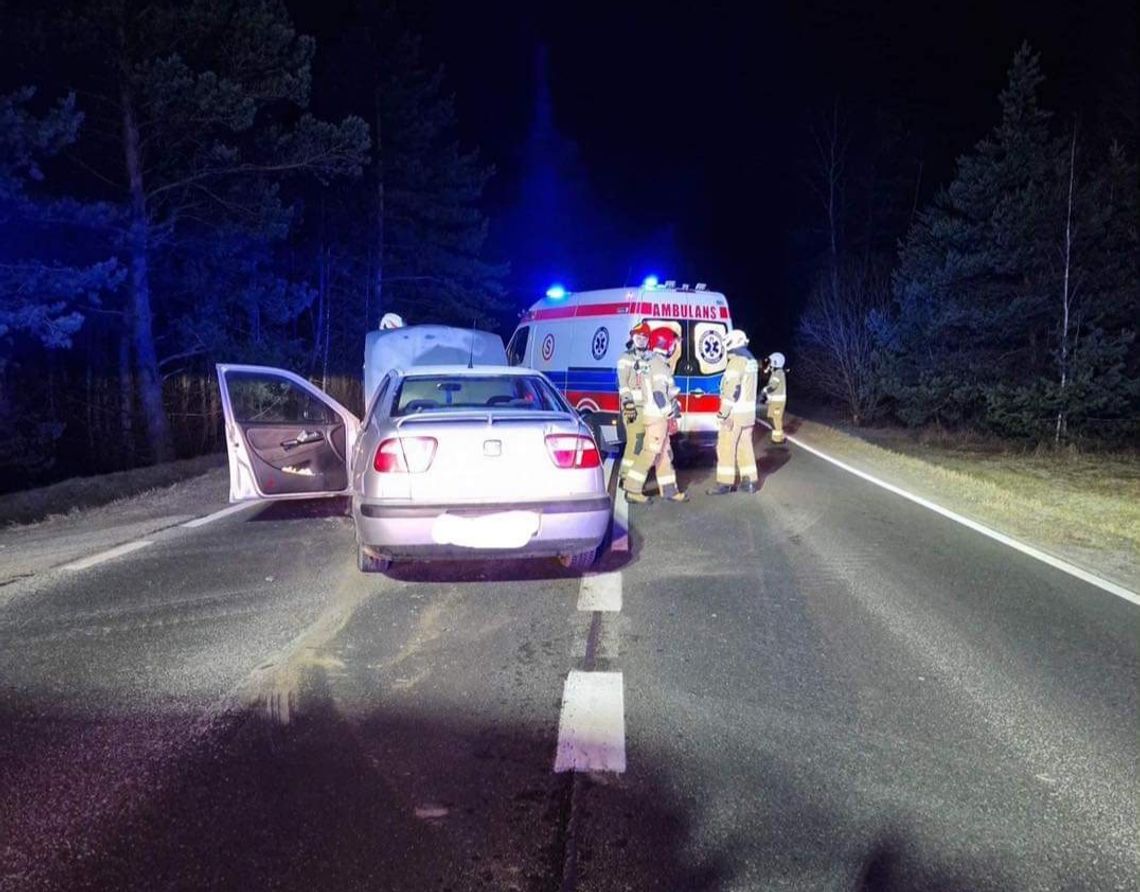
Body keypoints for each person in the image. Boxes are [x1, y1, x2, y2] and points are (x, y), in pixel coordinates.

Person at [623, 328, 688, 503]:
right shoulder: (659, 366)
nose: (675, 347)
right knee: (650, 453)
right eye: (673, 344)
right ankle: (632, 489)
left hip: (655, 416)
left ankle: (669, 491)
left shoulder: (653, 362)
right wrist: (669, 413)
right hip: (658, 417)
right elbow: (659, 394)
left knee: (664, 455)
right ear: (666, 344)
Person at [707, 329, 760, 495]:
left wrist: (723, 413)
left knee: (725, 447)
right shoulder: (750, 359)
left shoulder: (737, 361)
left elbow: (732, 390)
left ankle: (724, 483)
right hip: (748, 414)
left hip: (734, 414)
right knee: (746, 447)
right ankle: (750, 482)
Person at [617, 322, 652, 482]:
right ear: (632, 337)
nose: (642, 339)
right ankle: (626, 477)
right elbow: (623, 384)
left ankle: (634, 477)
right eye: (638, 336)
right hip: (633, 408)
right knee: (635, 442)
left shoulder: (650, 358)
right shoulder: (626, 358)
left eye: (645, 336)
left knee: (643, 444)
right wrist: (628, 404)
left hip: (648, 408)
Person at [761, 352, 788, 444]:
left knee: (776, 418)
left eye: (771, 362)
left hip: (777, 402)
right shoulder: (776, 372)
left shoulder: (778, 373)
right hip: (775, 401)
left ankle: (778, 439)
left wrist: (765, 391)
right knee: (774, 418)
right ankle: (778, 436)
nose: (769, 363)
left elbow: (773, 386)